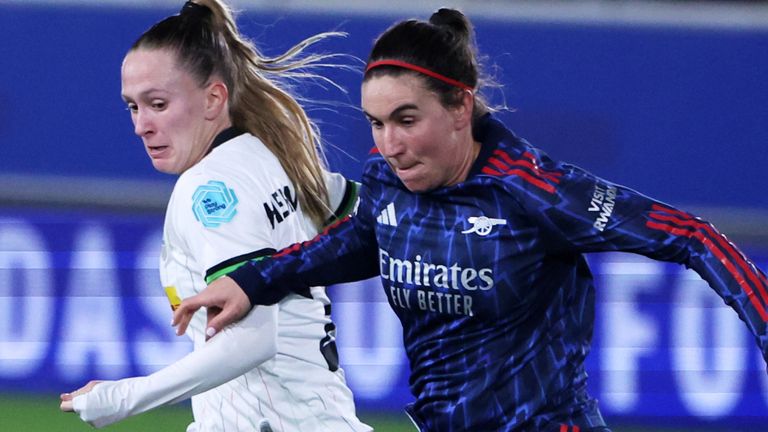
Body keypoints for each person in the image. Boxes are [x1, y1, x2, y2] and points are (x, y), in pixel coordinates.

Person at [171, 7, 768, 432]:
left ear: (461, 107)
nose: (389, 143)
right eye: (376, 124)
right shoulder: (387, 181)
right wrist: (254, 281)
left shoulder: (534, 192)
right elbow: (361, 240)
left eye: (407, 119)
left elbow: (693, 236)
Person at [58, 1, 371, 431]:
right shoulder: (270, 155)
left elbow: (254, 338)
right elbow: (373, 216)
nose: (141, 126)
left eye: (158, 104)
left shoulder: (209, 190)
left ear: (213, 99)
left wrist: (126, 397)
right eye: (133, 107)